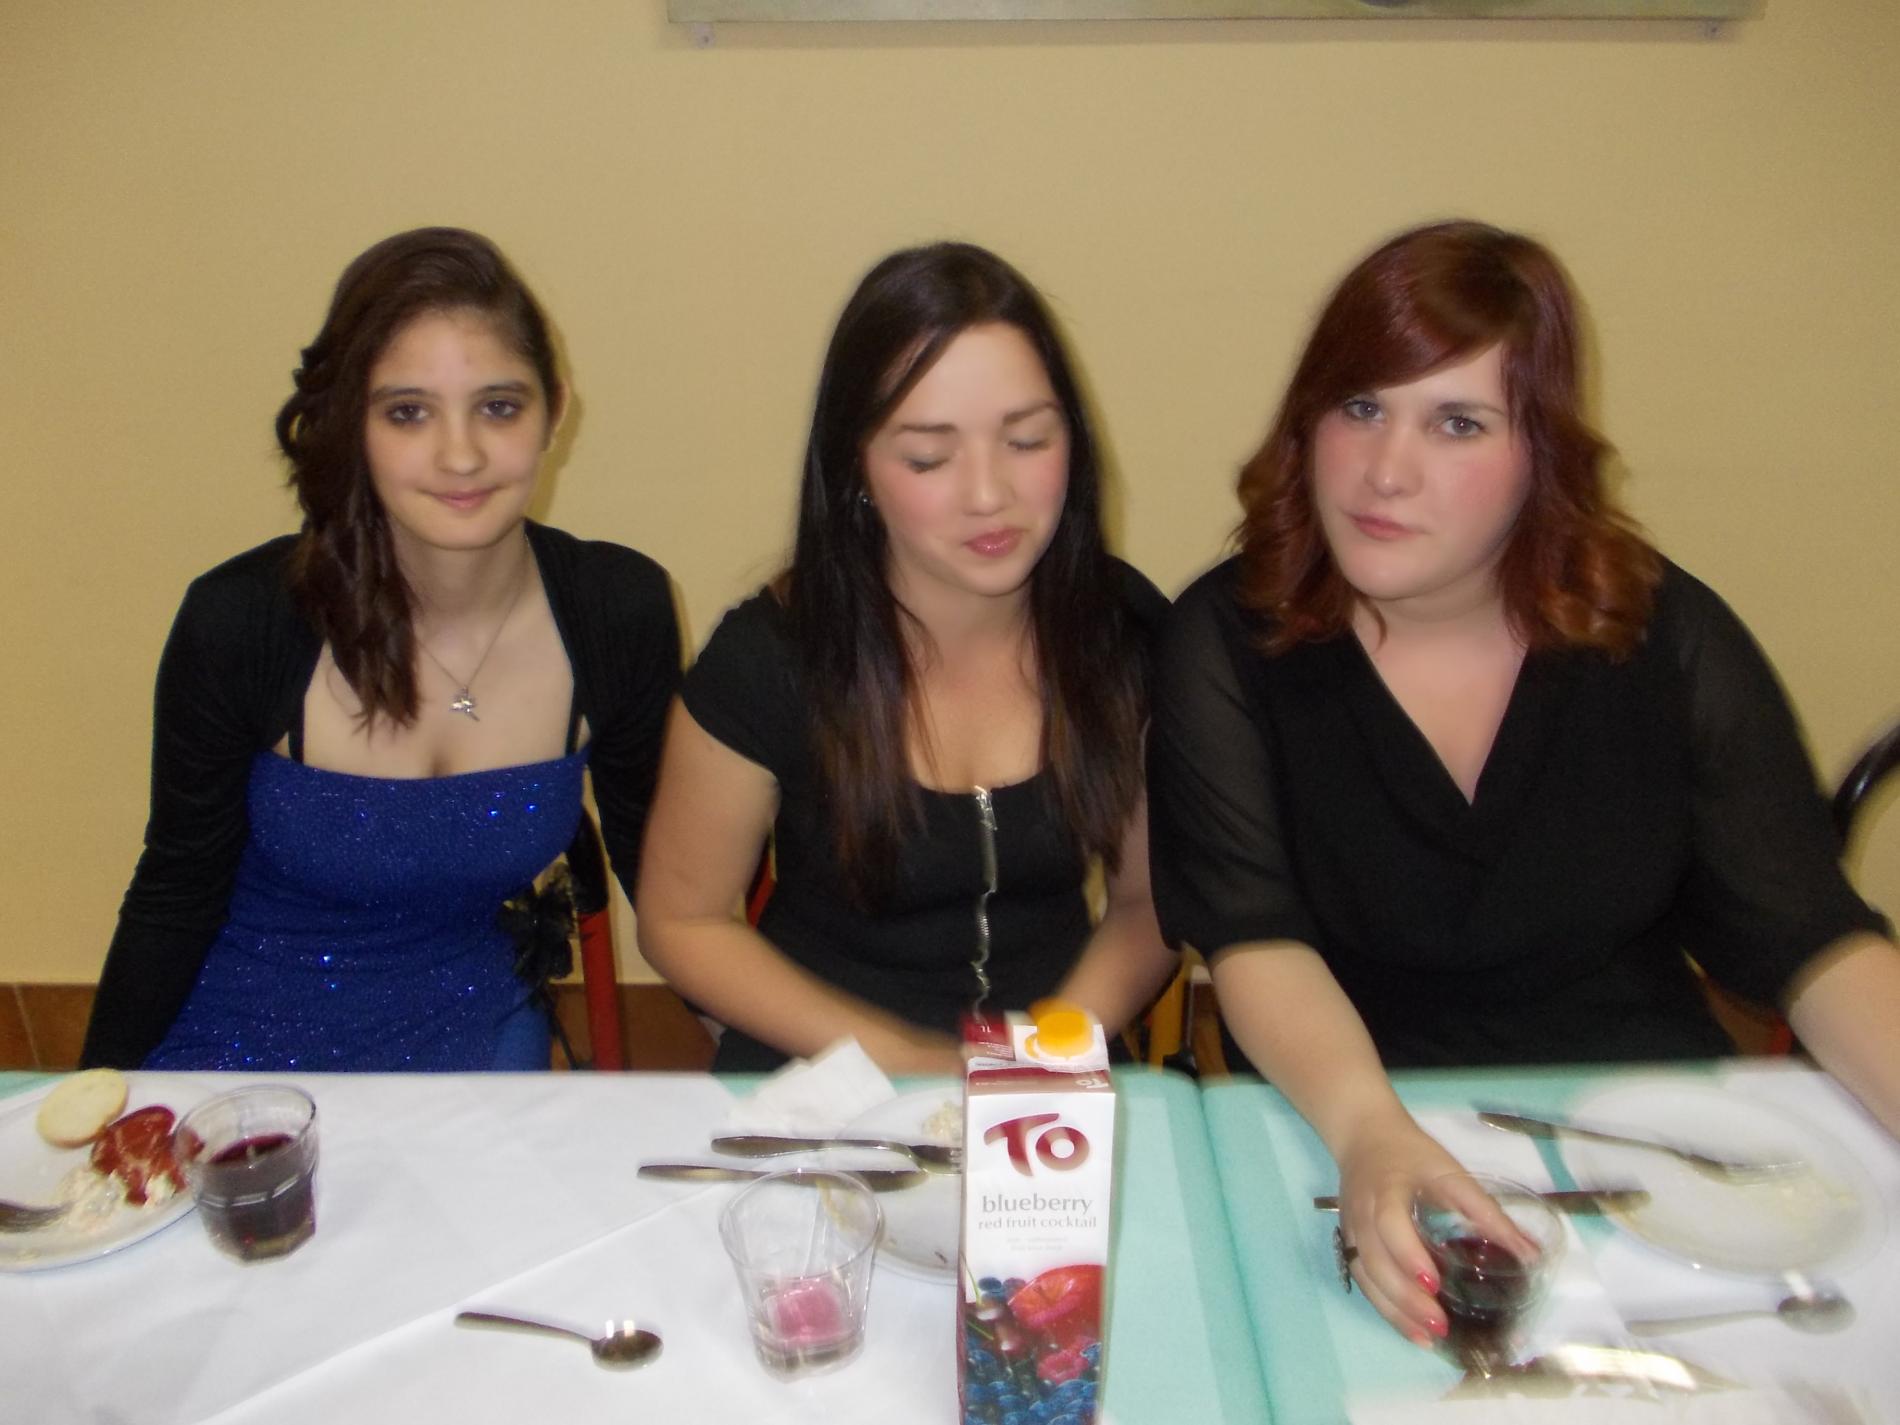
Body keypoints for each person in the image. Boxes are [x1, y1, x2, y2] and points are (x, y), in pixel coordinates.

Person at [1147, 220, 1900, 1347]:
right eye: (1360, 407)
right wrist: (1368, 1130)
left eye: (1458, 423)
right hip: (1346, 1121)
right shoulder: (1228, 637)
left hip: (1645, 1149)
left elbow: (1810, 935)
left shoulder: (1658, 632)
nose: (1386, 470)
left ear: (1539, 452)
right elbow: (1253, 937)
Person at [81, 227, 679, 1072]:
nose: (461, 454)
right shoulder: (242, 621)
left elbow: (671, 886)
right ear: (351, 425)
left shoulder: (618, 610)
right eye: (407, 412)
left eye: (499, 406)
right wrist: (96, 1103)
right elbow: (174, 894)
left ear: (555, 407)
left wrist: (799, 1070)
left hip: (472, 1037)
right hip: (237, 1044)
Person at [636, 242, 1177, 1073]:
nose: (988, 494)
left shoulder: (1123, 627)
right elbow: (683, 919)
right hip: (827, 1061)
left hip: (1055, 1055)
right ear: (856, 466)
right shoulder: (771, 656)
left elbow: (1146, 904)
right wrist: (905, 1058)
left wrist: (1041, 1053)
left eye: (1028, 440)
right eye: (929, 456)